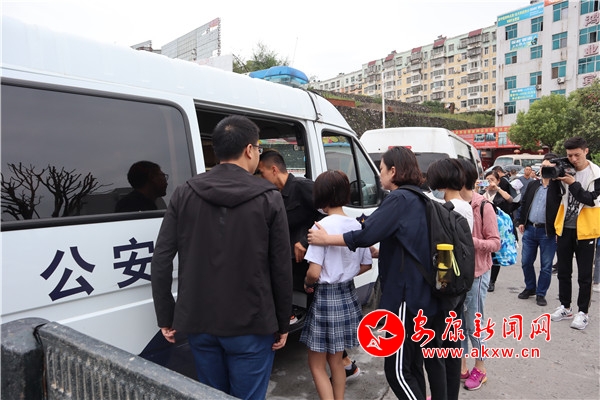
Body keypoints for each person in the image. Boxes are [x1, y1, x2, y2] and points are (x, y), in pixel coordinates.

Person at [150, 115, 293, 400]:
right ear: (250, 150)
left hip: (199, 321)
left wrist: (166, 315)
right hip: (252, 323)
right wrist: (282, 322)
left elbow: (162, 258)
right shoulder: (269, 197)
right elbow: (280, 266)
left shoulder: (184, 193)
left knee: (212, 395)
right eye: (258, 149)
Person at [308, 146, 451, 400]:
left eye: (382, 168)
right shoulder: (419, 198)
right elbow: (407, 242)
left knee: (397, 372)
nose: (379, 174)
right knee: (412, 367)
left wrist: (326, 239)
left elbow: (366, 234)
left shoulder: (399, 199)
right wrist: (382, 253)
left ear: (393, 171)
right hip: (423, 295)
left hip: (406, 297)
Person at [256, 150, 361, 379]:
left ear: (274, 169)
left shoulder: (302, 187)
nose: (260, 178)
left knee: (322, 325)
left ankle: (343, 364)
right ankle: (343, 365)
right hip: (294, 266)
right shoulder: (275, 195)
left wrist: (304, 241)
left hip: (316, 266)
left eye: (261, 173)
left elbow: (328, 215)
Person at [300, 170, 372, 400]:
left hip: (326, 299)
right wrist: (345, 274)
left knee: (316, 364)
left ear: (320, 195)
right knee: (337, 360)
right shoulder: (357, 226)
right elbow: (366, 264)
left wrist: (307, 283)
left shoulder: (320, 228)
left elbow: (314, 272)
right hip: (348, 295)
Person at [426, 158, 473, 397]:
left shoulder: (451, 209)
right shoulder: (463, 205)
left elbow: (445, 252)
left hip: (449, 286)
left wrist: (440, 284)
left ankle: (442, 394)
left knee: (440, 348)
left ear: (440, 182)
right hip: (460, 285)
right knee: (452, 344)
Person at [456, 158, 500, 391]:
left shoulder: (483, 206)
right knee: (459, 322)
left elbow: (495, 243)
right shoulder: (451, 204)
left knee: (474, 322)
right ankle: (462, 365)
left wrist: (469, 241)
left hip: (477, 273)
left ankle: (480, 368)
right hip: (457, 274)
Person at [550, 137, 600, 330]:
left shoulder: (596, 174)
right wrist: (553, 174)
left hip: (586, 230)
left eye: (577, 155)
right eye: (569, 155)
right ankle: (565, 307)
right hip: (565, 228)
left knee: (585, 275)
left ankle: (583, 312)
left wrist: (572, 183)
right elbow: (555, 198)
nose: (573, 159)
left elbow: (590, 199)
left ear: (586, 151)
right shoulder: (565, 169)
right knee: (563, 271)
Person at [515, 153, 562, 307]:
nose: (544, 169)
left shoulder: (559, 188)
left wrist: (558, 231)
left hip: (548, 232)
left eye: (548, 167)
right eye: (543, 166)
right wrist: (521, 221)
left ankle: (541, 293)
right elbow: (524, 202)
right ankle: (530, 287)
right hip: (530, 229)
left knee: (546, 266)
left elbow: (563, 210)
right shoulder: (533, 185)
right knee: (526, 262)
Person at [483, 170, 514, 292]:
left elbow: (510, 199)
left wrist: (497, 188)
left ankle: (492, 281)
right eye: (487, 180)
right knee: (484, 252)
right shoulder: (482, 193)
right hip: (483, 226)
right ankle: (483, 276)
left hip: (498, 227)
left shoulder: (500, 193)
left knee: (495, 254)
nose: (490, 182)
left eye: (492, 179)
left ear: (498, 181)